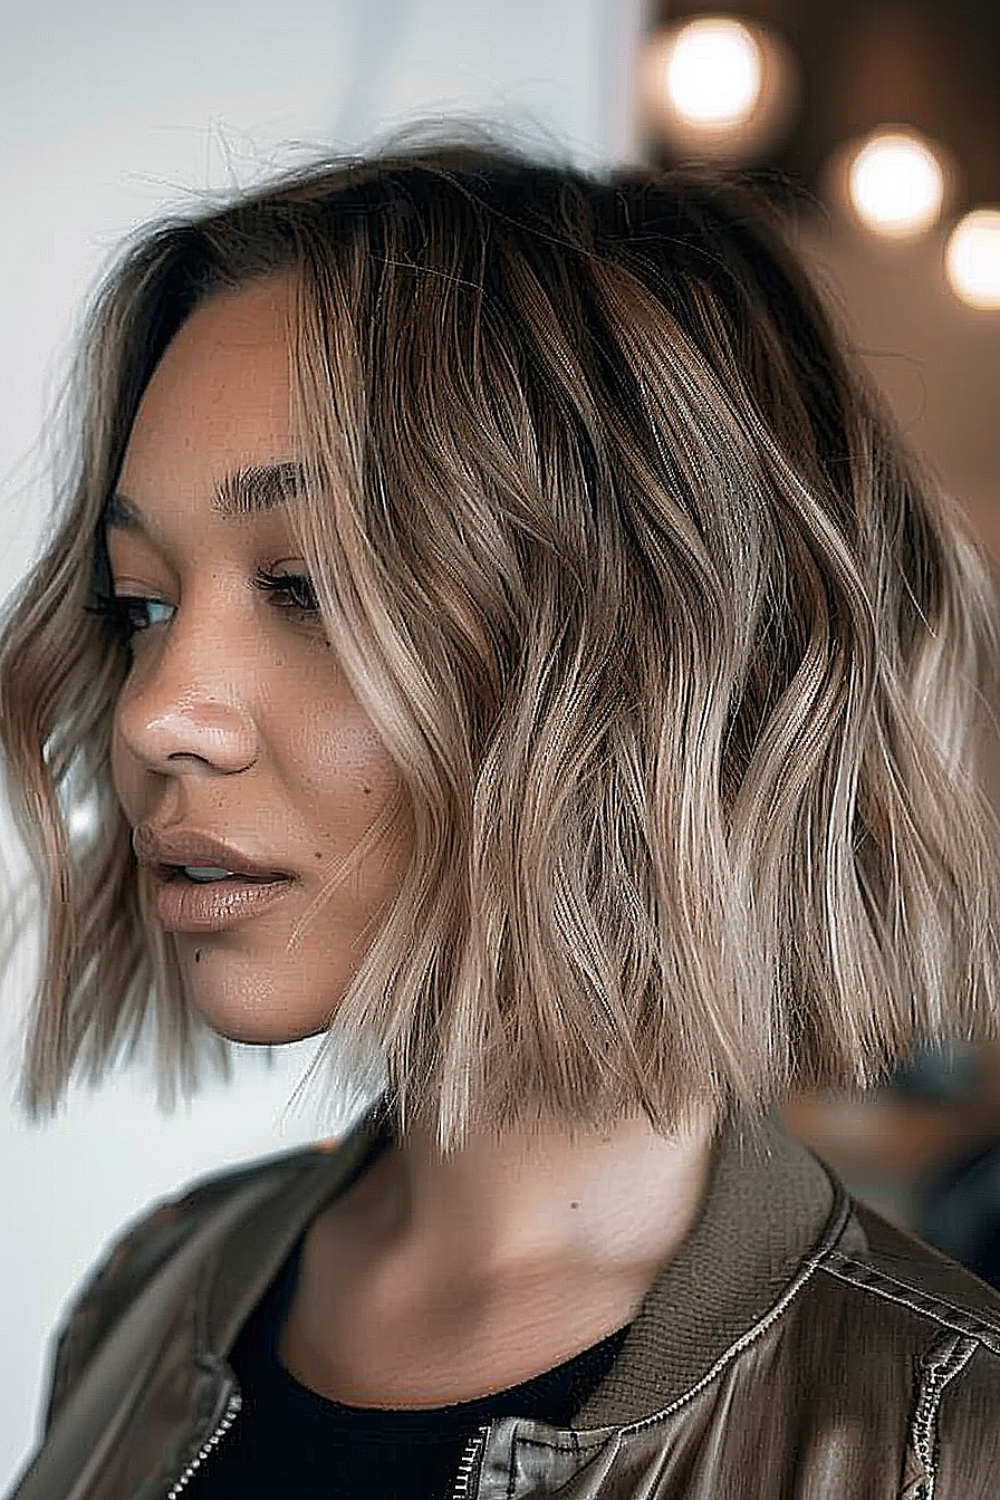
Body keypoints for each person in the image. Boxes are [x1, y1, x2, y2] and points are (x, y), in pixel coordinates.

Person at [3, 130, 1000, 1500]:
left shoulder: (942, 1439)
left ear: (647, 655)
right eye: (143, 606)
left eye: (313, 589)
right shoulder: (148, 1295)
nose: (155, 711)